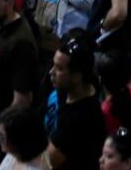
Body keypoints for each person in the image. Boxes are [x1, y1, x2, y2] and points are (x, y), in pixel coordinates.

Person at [45, 34, 108, 170]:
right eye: (53, 65)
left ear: (77, 76)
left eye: (60, 68)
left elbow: (49, 161)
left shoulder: (83, 116)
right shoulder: (65, 89)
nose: (51, 72)